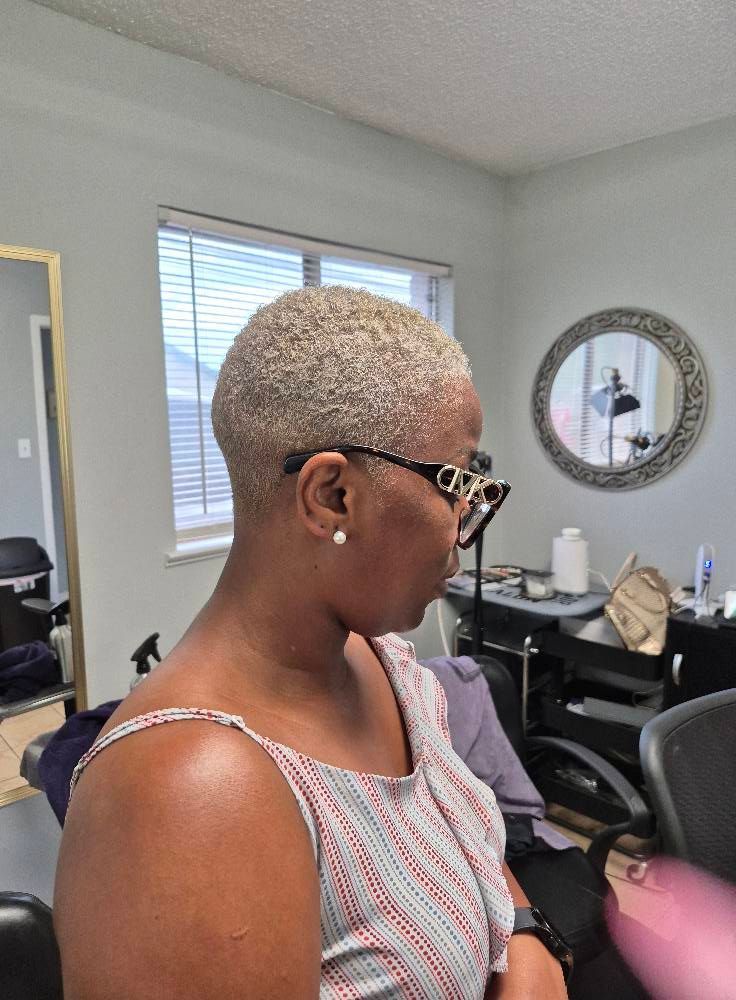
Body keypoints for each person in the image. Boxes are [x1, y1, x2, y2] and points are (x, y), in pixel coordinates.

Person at [54, 286, 568, 999]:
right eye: (454, 483)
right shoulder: (191, 794)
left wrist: (526, 937)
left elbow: (472, 845)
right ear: (331, 496)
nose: (462, 526)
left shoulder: (383, 662)